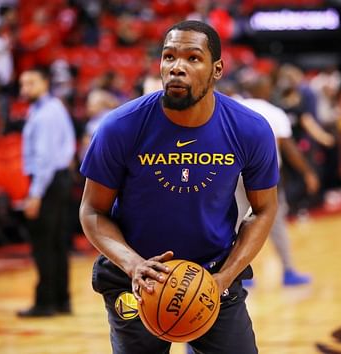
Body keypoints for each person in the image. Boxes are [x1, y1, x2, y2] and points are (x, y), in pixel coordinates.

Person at [79, 20, 279, 354]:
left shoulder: (250, 129)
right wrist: (133, 265)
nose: (177, 68)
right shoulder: (120, 127)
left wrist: (226, 277)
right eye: (169, 57)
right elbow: (92, 210)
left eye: (192, 58)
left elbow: (264, 209)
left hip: (213, 276)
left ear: (217, 70)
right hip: (138, 279)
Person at [232, 75, 319, 286]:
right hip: (265, 177)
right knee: (275, 223)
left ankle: (236, 273)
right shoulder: (274, 112)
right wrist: (308, 172)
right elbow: (289, 149)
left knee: (234, 223)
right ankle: (289, 271)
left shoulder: (234, 109)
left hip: (235, 175)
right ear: (266, 90)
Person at [17, 67, 76, 318]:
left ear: (44, 82)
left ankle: (45, 302)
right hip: (60, 179)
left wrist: (35, 193)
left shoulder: (44, 115)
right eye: (22, 84)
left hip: (48, 181)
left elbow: (44, 158)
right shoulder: (54, 107)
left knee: (44, 244)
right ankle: (62, 299)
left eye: (30, 83)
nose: (24, 89)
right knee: (58, 243)